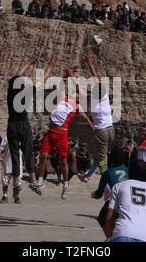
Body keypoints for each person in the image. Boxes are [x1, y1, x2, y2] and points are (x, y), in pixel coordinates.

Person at [37, 72, 94, 200]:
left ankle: (66, 185)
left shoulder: (77, 105)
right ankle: (40, 181)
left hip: (62, 133)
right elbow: (60, 85)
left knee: (63, 160)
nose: (75, 93)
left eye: (77, 93)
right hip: (51, 130)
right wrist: (65, 75)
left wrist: (91, 125)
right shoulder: (64, 98)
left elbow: (85, 116)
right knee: (43, 155)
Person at [6, 54, 56, 196]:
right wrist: (49, 68)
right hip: (22, 124)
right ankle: (33, 180)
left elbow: (17, 75)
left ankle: (16, 183)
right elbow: (41, 81)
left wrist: (28, 63)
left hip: (12, 125)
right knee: (28, 152)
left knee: (15, 154)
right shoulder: (27, 92)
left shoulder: (11, 90)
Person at [104, 158, 146, 242]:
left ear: (129, 172)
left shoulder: (119, 186)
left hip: (123, 232)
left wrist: (111, 236)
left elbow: (109, 219)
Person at [82, 50, 115, 182]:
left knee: (101, 158)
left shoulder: (91, 103)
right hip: (111, 129)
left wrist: (71, 76)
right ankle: (88, 175)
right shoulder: (105, 96)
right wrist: (89, 62)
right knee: (100, 155)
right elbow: (96, 77)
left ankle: (106, 179)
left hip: (101, 131)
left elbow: (79, 90)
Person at [91, 147, 129, 233]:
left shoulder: (107, 173)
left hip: (116, 202)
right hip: (130, 201)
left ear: (111, 159)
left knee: (101, 218)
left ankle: (111, 237)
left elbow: (99, 193)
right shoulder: (129, 170)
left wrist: (96, 195)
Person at [0, 136, 23, 204]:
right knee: (5, 180)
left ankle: (16, 196)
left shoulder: (22, 138)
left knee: (18, 181)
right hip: (8, 161)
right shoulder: (6, 137)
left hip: (18, 162)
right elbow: (0, 148)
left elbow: (25, 149)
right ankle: (5, 196)